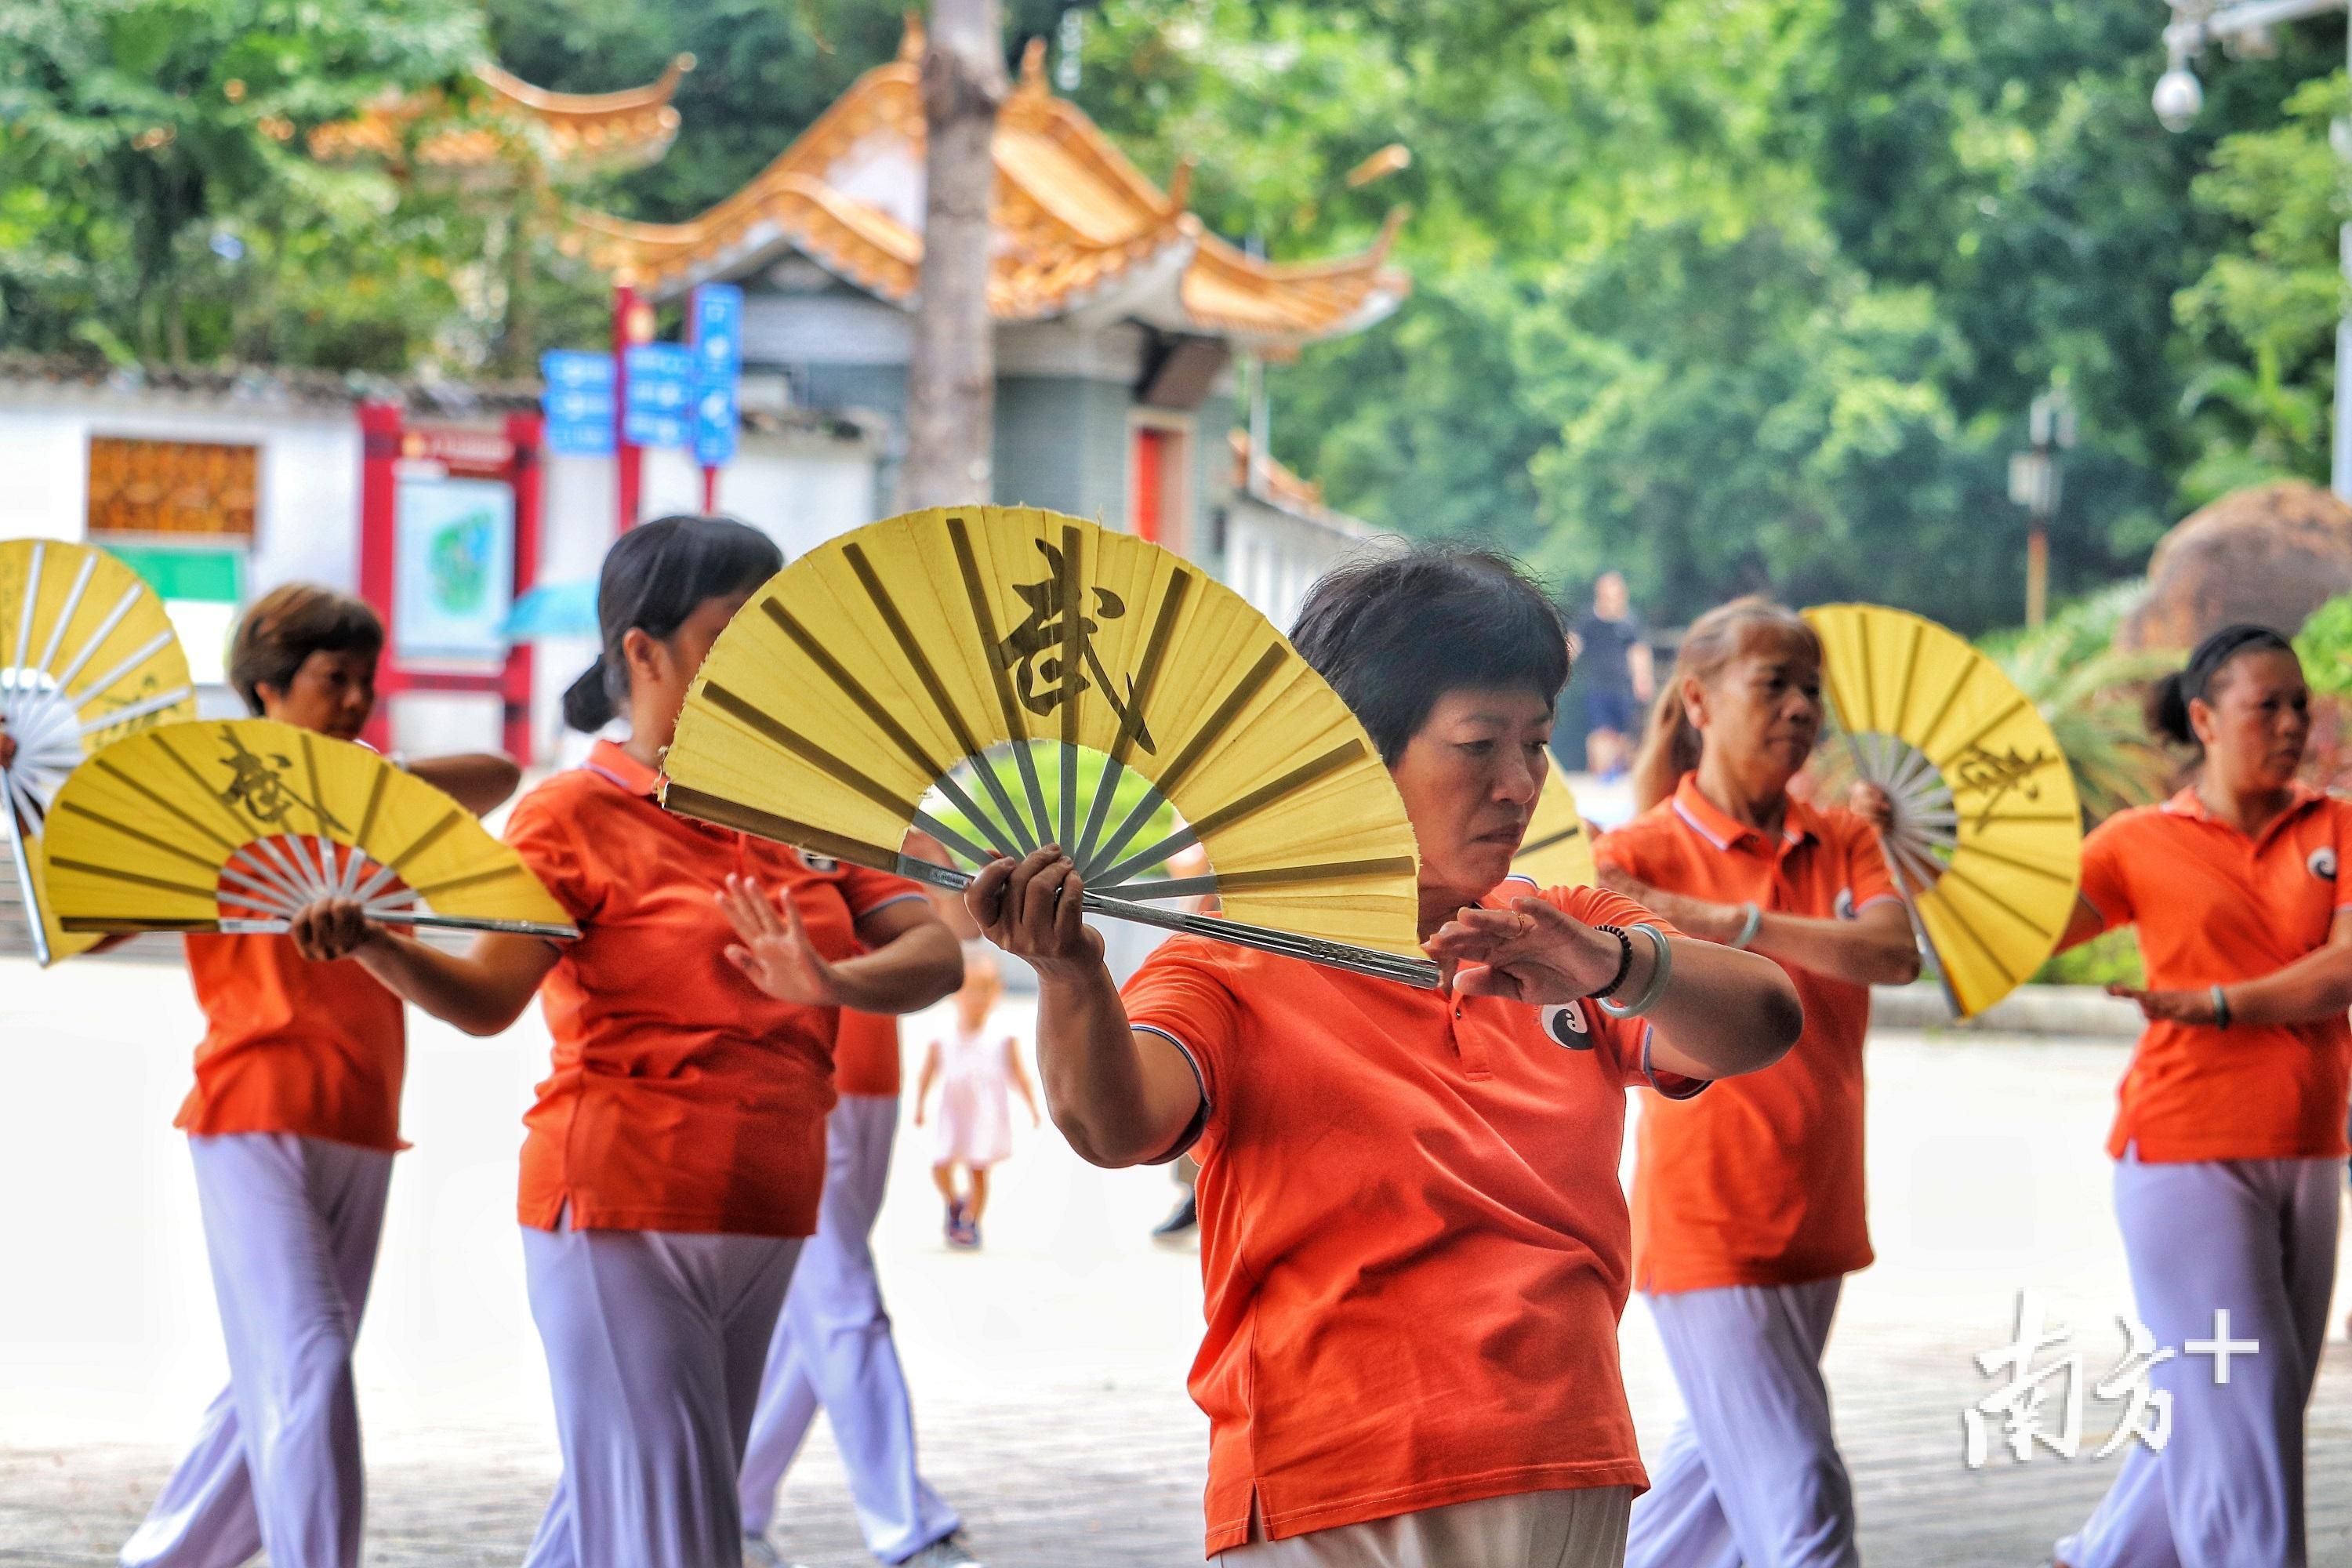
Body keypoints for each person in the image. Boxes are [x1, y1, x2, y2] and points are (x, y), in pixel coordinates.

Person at [967, 546, 1805, 1566]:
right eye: (1478, 745)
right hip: (1325, 1477)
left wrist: (1610, 963)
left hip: (1556, 1457)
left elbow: (1766, 1019)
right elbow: (1118, 1123)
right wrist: (1070, 979)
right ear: (1359, 757)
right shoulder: (1236, 954)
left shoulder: (1566, 931)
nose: (1519, 785)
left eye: (1537, 743)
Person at [283, 517, 964, 1568]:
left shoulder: (809, 808)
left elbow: (934, 953)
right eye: (729, 639)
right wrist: (371, 939)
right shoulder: (570, 814)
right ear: (641, 653)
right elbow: (486, 1001)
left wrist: (829, 980)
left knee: (622, 1524)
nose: (761, 670)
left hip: (770, 1209)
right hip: (619, 1208)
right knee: (677, 1537)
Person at [122, 584, 521, 1568]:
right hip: (250, 1103)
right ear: (265, 688)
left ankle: (163, 1557)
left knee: (288, 1365)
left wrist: (350, 781)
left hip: (363, 1112)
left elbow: (498, 772)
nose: (354, 700)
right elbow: (92, 913)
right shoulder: (205, 810)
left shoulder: (372, 798)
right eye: (331, 681)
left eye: (363, 683)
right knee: (306, 1359)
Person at [1594, 597, 1921, 1568]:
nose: (1798, 707)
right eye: (1771, 682)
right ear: (1697, 697)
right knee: (1804, 1510)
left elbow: (1892, 951)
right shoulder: (1634, 855)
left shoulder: (1845, 839)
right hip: (1709, 1222)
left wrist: (1722, 919)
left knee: (1713, 1498)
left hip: (1817, 1213)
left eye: (1810, 688)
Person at [2046, 625, 2352, 1568]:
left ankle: (2105, 1554)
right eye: (2271, 704)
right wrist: (1928, 856)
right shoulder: (2140, 840)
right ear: (2206, 718)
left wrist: (2220, 1002)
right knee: (2248, 1403)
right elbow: (2023, 931)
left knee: (2244, 1400)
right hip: (2182, 1155)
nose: (2295, 721)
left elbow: (2345, 970)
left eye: (2301, 702)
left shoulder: (2336, 824)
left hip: (2308, 1146)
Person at [738, 833, 983, 1568]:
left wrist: (958, 872)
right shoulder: (776, 812)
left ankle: (736, 1501)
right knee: (841, 1300)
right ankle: (906, 1525)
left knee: (811, 1315)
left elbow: (958, 931)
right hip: (797, 1076)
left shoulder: (888, 824)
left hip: (872, 1077)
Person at [913, 948, 1040, 1250]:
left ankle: (972, 1221)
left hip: (985, 1117)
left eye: (986, 989)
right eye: (971, 990)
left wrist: (1033, 1107)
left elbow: (1018, 1075)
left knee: (978, 1170)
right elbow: (927, 1073)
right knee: (940, 1164)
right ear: (956, 994)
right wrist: (919, 1106)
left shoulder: (1002, 1037)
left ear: (997, 991)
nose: (978, 998)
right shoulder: (942, 1035)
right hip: (954, 1114)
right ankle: (954, 1202)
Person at [1570, 571, 1654, 781]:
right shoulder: (1588, 619)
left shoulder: (1630, 622)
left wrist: (1642, 679)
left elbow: (1638, 652)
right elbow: (1573, 644)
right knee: (1602, 733)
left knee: (1627, 736)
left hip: (1624, 686)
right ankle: (1603, 776)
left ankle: (1624, 773)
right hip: (1598, 685)